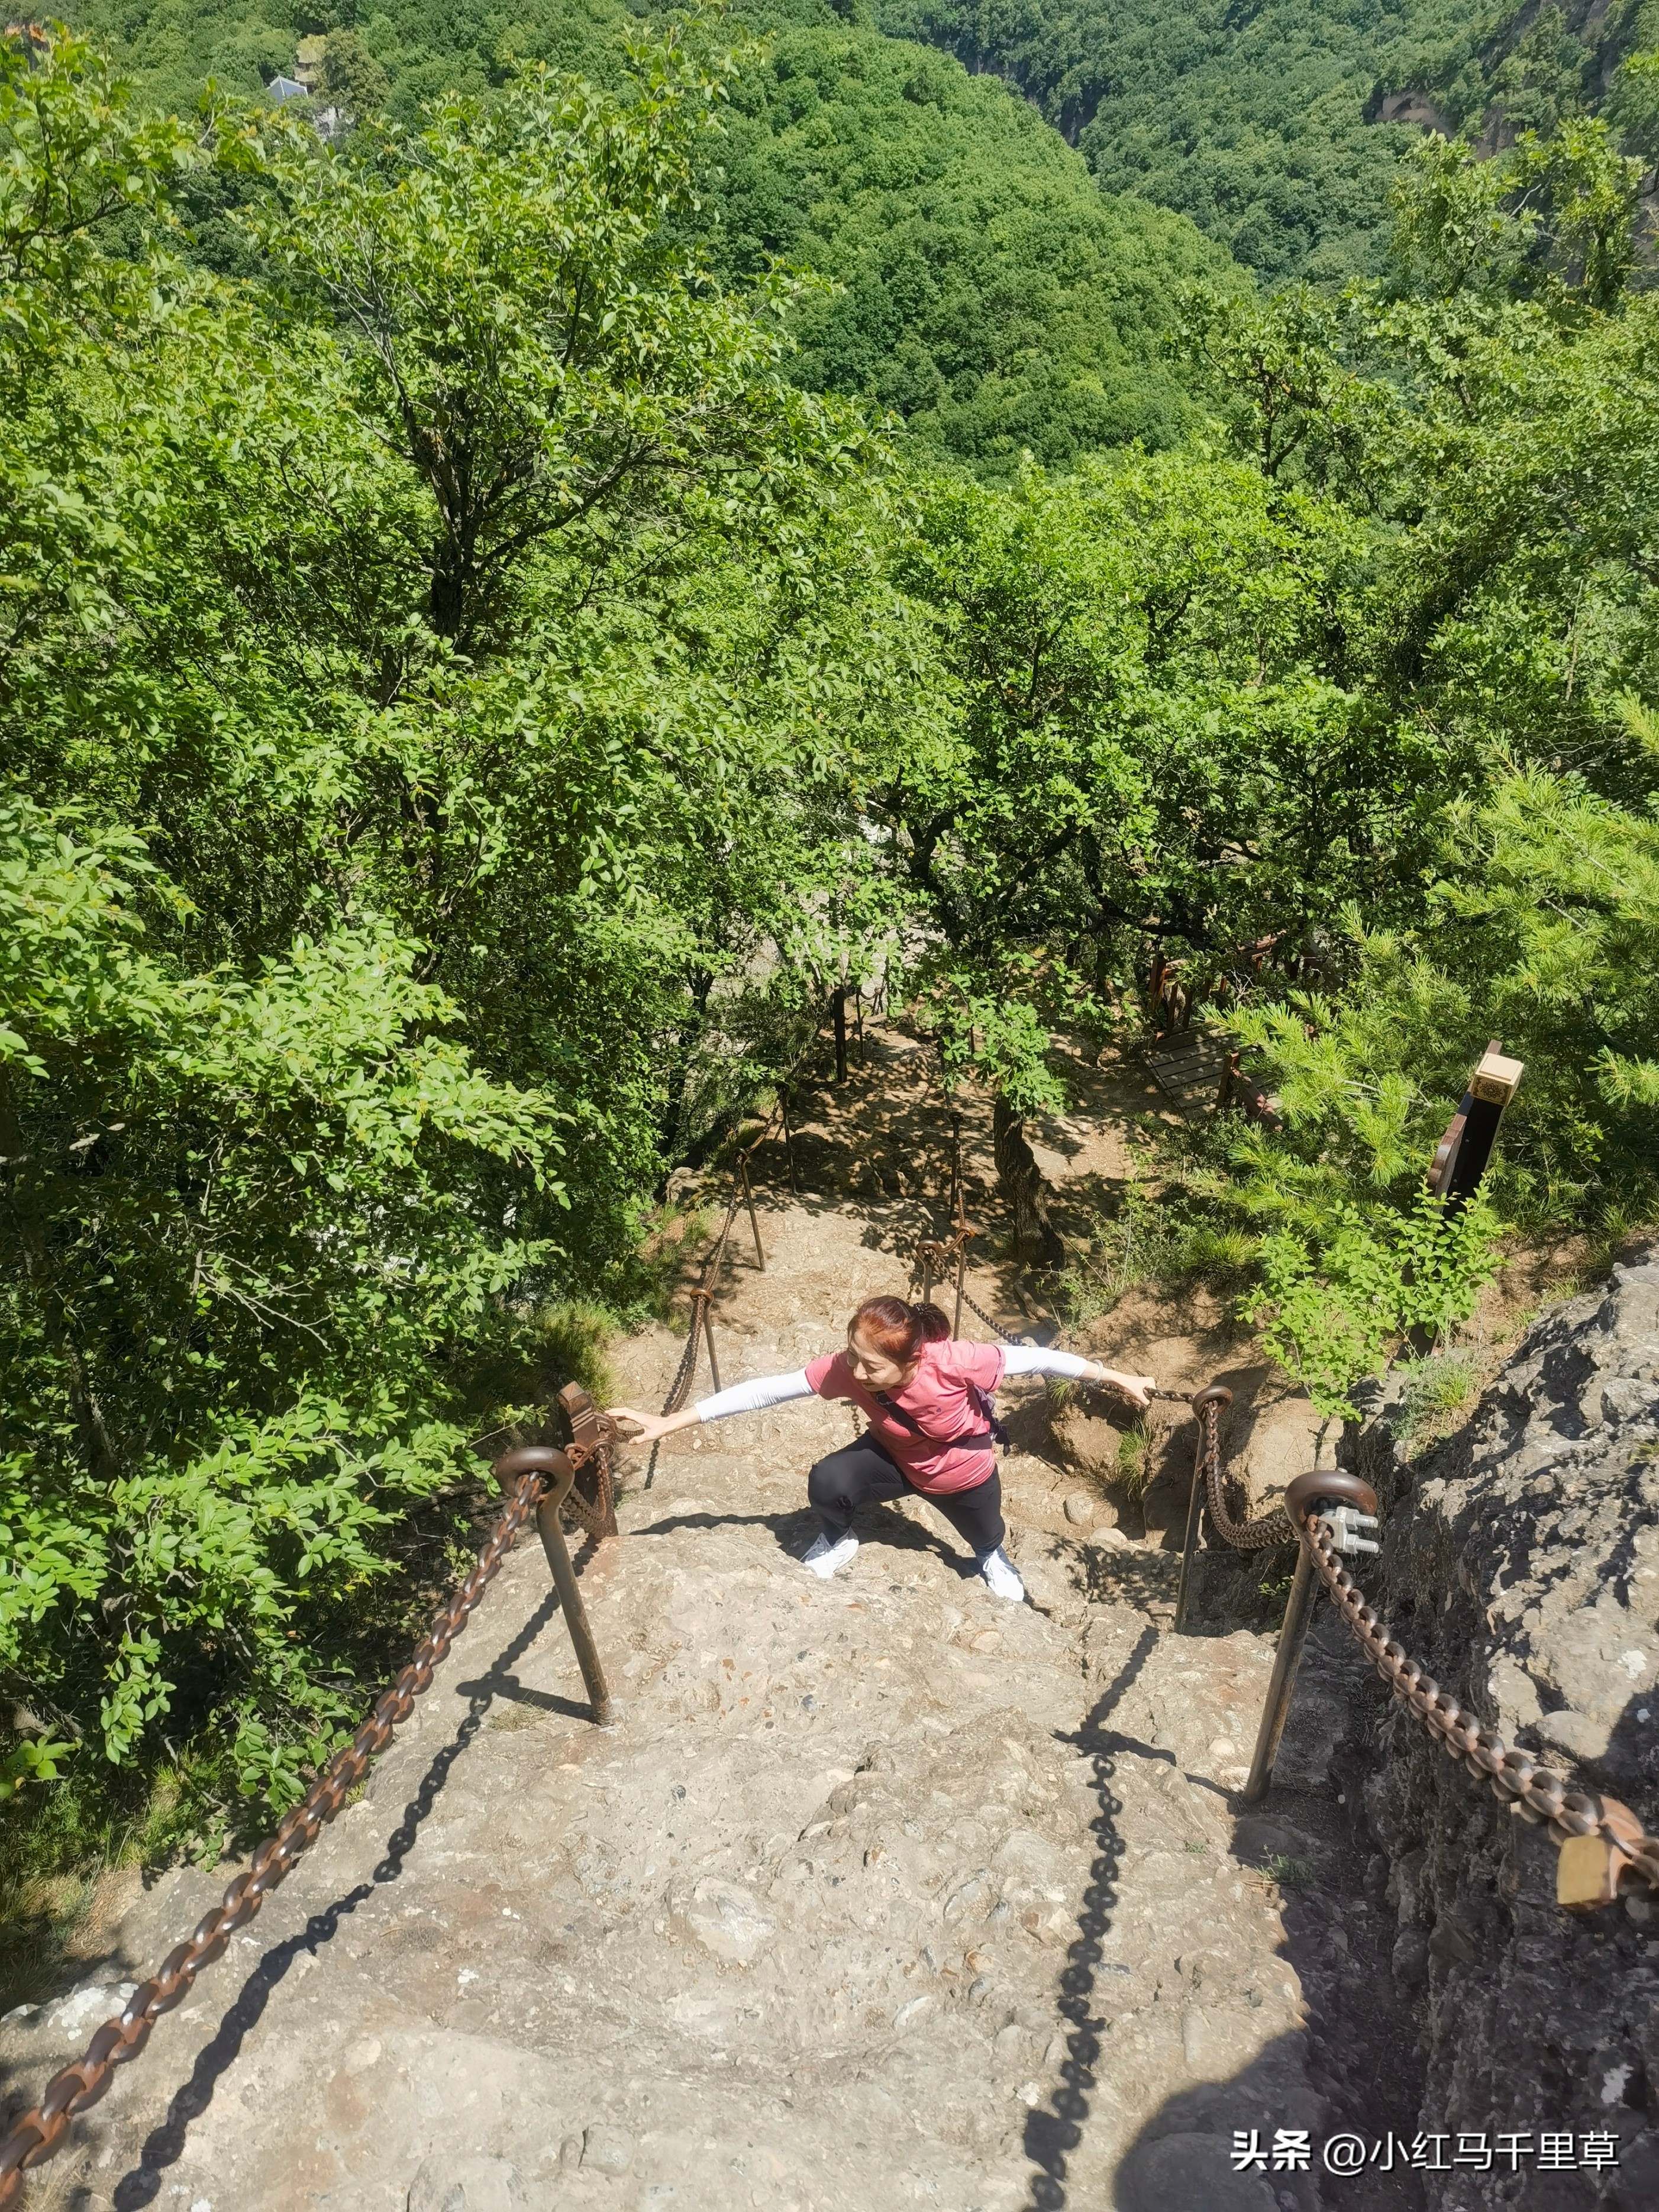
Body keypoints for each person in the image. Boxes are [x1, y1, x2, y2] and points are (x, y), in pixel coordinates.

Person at [610, 1295, 1156, 1604]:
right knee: (828, 1482)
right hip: (894, 1459)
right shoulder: (848, 1368)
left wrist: (1118, 1377)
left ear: (912, 1361)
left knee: (985, 1537)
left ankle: (993, 1557)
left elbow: (1042, 1360)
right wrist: (669, 1423)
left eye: (871, 1366)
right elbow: (767, 1390)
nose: (856, 1371)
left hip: (962, 1471)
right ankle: (838, 1537)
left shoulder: (953, 1361)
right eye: (852, 1355)